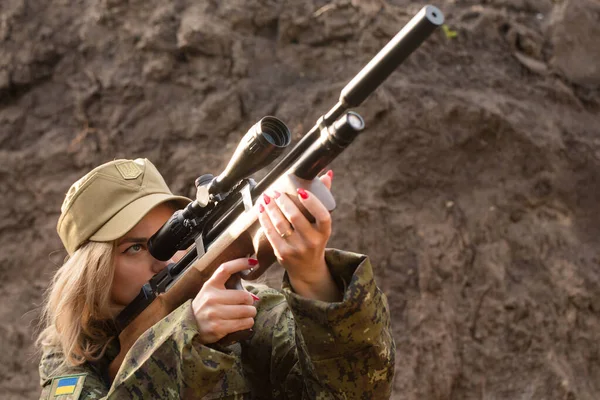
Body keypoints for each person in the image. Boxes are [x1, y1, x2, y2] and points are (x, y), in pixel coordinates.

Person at [36, 158, 395, 399]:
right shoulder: (69, 359)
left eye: (168, 239)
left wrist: (313, 277)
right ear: (93, 273)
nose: (162, 261)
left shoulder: (243, 306)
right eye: (134, 248)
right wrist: (187, 337)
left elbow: (358, 391)